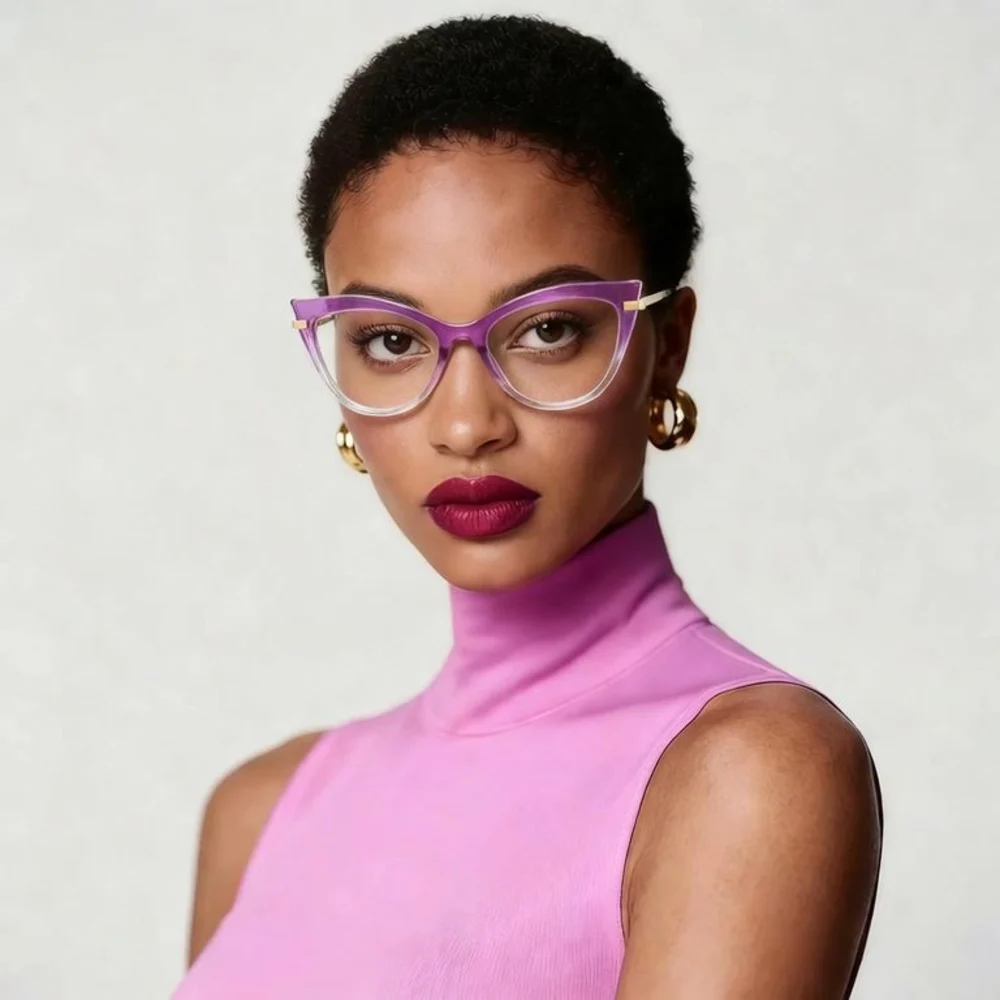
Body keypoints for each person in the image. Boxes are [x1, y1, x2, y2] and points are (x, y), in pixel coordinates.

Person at [171, 14, 883, 999]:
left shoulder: (751, 770)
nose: (467, 424)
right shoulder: (259, 813)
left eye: (547, 329)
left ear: (666, 348)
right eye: (391, 340)